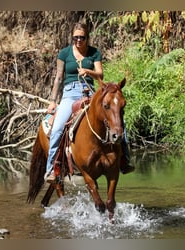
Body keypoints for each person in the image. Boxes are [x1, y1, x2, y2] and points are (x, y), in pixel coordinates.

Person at [44, 23, 133, 181]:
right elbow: (58, 78)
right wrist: (52, 101)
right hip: (70, 93)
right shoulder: (64, 53)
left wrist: (88, 71)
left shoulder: (94, 53)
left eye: (82, 37)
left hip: (91, 92)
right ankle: (51, 168)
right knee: (57, 128)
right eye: (75, 37)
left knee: (118, 121)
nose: (78, 40)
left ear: (87, 37)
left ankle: (124, 160)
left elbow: (100, 74)